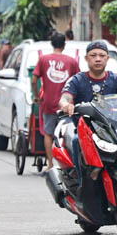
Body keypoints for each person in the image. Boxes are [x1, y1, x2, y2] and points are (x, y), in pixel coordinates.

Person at [59, 41, 117, 183]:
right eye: (93, 55)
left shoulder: (116, 79)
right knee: (76, 141)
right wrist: (65, 104)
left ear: (107, 58)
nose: (98, 59)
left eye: (102, 55)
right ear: (86, 59)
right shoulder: (77, 79)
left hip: (114, 129)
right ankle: (82, 181)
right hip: (86, 130)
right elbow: (66, 97)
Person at [33, 32, 80, 173]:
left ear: (51, 43)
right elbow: (78, 81)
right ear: (64, 45)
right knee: (67, 133)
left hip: (47, 101)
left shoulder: (43, 59)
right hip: (67, 105)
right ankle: (68, 163)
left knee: (49, 133)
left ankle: (50, 164)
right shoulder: (72, 62)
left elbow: (34, 80)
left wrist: (37, 96)